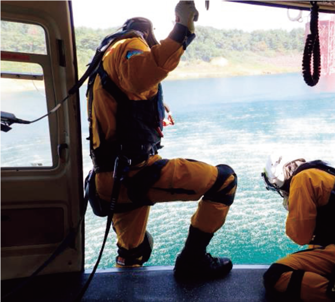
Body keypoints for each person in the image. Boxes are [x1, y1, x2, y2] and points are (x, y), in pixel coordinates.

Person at [86, 2, 236, 280]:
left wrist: (154, 112)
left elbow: (122, 106)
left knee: (134, 251)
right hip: (135, 174)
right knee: (224, 181)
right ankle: (192, 261)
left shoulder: (103, 64)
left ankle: (126, 284)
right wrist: (183, 28)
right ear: (146, 33)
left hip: (108, 178)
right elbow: (143, 73)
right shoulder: (129, 45)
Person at [261, 153, 335, 301]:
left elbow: (300, 236)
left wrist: (292, 204)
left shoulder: (302, 180)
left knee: (275, 276)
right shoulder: (320, 174)